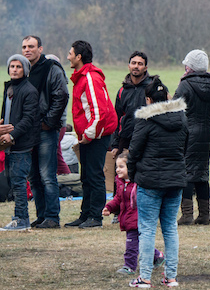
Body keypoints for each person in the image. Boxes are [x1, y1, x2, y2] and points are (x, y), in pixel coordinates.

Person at [126, 80, 187, 287]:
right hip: (175, 180)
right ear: (168, 97)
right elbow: (185, 147)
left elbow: (134, 151)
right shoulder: (182, 118)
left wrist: (133, 175)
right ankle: (171, 277)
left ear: (149, 100)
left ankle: (144, 277)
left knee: (147, 229)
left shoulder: (145, 120)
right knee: (170, 228)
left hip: (150, 181)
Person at [65, 40, 118, 229]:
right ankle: (85, 214)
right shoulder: (82, 77)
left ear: (79, 57)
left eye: (70, 53)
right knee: (85, 175)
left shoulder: (89, 78)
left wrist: (88, 134)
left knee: (94, 175)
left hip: (97, 135)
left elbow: (100, 112)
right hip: (89, 135)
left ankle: (95, 217)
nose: (68, 56)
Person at [21, 36, 69, 229]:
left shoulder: (52, 68)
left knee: (47, 174)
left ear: (40, 48)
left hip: (45, 130)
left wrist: (49, 122)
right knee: (33, 175)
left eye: (31, 46)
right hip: (27, 131)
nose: (27, 50)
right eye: (24, 47)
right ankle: (41, 216)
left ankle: (52, 217)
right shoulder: (23, 70)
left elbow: (62, 95)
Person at [173, 50, 210, 226]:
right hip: (207, 130)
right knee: (202, 172)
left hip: (188, 130)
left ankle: (187, 215)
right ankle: (204, 215)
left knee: (186, 172)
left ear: (190, 66)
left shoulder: (185, 85)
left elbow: (175, 107)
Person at [101, 153, 163, 275]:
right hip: (128, 219)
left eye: (121, 166)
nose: (118, 169)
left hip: (137, 219)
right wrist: (109, 207)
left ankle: (129, 266)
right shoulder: (120, 183)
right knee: (140, 241)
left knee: (131, 244)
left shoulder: (138, 183)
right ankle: (157, 255)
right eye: (117, 167)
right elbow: (118, 198)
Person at [0, 55, 41, 231]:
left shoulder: (29, 90)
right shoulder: (8, 88)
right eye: (12, 66)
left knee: (19, 182)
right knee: (12, 181)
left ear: (25, 70)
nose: (14, 69)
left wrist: (13, 135)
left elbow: (28, 119)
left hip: (21, 144)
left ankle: (22, 219)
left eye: (18, 66)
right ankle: (18, 217)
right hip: (8, 143)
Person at [110, 52, 159, 187]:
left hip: (147, 139)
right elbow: (117, 117)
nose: (136, 66)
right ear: (129, 66)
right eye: (133, 63)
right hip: (126, 138)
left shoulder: (152, 88)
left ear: (145, 67)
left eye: (140, 64)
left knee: (143, 177)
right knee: (121, 177)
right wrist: (115, 144)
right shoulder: (122, 90)